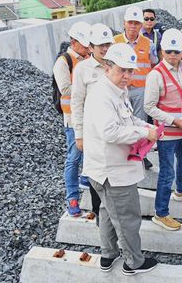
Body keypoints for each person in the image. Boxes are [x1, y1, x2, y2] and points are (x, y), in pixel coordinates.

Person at [83, 43, 158, 276]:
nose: (127, 76)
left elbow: (127, 118)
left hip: (106, 170)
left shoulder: (116, 89)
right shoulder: (102, 95)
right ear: (108, 66)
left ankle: (108, 254)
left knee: (107, 211)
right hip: (112, 172)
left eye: (130, 71)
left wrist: (144, 125)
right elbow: (111, 132)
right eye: (122, 70)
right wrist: (145, 133)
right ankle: (133, 262)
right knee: (127, 218)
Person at [144, 29, 182, 231]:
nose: (172, 55)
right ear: (162, 51)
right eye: (168, 51)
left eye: (176, 52)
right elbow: (149, 107)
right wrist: (173, 120)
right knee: (166, 172)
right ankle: (161, 213)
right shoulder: (156, 75)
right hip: (168, 133)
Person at [71, 23, 114, 223]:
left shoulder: (115, 66)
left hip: (114, 130)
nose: (104, 49)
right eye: (100, 45)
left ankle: (112, 211)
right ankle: (99, 214)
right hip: (93, 132)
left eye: (107, 44)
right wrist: (78, 134)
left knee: (113, 171)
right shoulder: (82, 70)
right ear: (91, 47)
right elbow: (76, 103)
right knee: (96, 174)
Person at [53, 21, 91, 217]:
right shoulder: (63, 62)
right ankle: (72, 198)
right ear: (73, 41)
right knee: (73, 157)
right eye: (85, 45)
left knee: (89, 153)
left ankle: (86, 178)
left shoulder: (87, 58)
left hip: (89, 114)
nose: (88, 48)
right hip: (73, 119)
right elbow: (65, 89)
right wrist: (86, 79)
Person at [114, 5, 159, 169]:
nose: (133, 26)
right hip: (120, 90)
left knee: (139, 124)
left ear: (141, 25)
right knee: (121, 122)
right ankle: (123, 154)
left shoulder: (148, 44)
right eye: (130, 23)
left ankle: (141, 154)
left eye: (136, 23)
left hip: (141, 90)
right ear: (124, 23)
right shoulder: (115, 42)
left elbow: (154, 63)